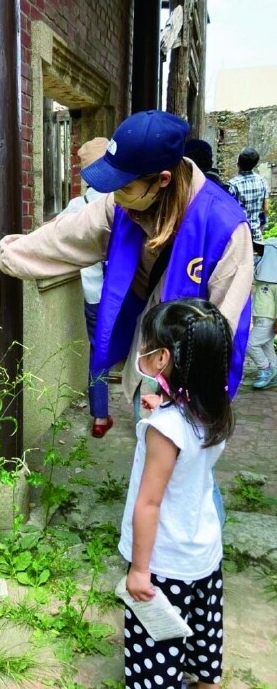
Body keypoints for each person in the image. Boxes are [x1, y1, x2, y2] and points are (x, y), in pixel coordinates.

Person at [0, 110, 253, 412]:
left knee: (173, 456)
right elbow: (67, 234)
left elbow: (228, 323)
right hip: (148, 357)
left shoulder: (224, 227)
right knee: (146, 447)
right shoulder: (123, 205)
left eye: (123, 187)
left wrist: (189, 399)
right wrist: (1, 255)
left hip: (191, 382)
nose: (114, 195)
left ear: (162, 179)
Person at [120, 297, 232, 689]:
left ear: (163, 358)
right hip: (203, 551)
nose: (142, 351)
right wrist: (166, 404)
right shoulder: (213, 410)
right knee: (202, 633)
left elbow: (148, 504)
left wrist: (138, 569)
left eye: (147, 345)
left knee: (157, 647)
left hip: (163, 563)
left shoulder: (165, 431)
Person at [60, 137, 113, 438]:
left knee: (100, 352)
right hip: (131, 295)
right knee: (141, 349)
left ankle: (100, 417)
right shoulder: (128, 200)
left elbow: (56, 241)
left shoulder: (75, 207)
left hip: (95, 296)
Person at [246, 237, 277, 388]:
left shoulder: (275, 281)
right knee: (266, 346)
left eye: (262, 252)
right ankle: (275, 372)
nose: (258, 254)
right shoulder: (261, 276)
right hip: (259, 315)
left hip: (268, 318)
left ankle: (265, 369)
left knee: (250, 344)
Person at [228, 147, 269, 243]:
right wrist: (260, 228)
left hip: (239, 238)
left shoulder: (232, 185)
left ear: (238, 163)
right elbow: (266, 209)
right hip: (257, 236)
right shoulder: (262, 181)